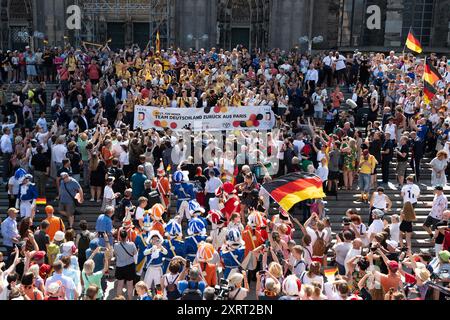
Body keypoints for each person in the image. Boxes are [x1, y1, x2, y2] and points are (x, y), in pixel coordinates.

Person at [113, 229, 137, 300]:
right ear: (127, 237)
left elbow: (115, 254)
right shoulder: (132, 244)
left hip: (120, 267)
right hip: (130, 266)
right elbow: (135, 253)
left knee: (120, 284)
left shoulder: (116, 245)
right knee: (130, 285)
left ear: (120, 237)